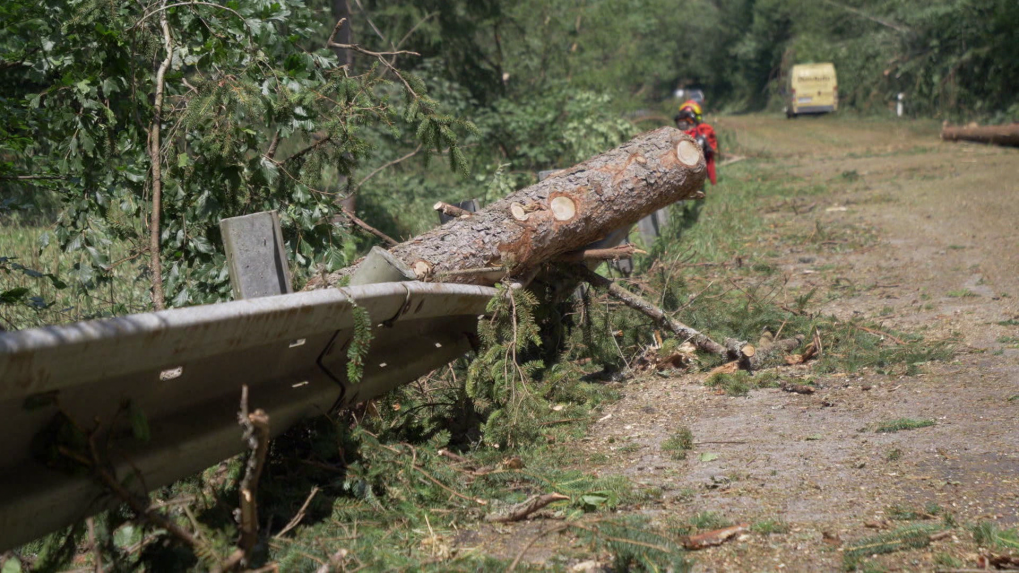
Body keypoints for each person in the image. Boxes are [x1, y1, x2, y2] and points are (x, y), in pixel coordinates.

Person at [674, 100, 718, 185]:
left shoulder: (704, 129)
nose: (684, 123)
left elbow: (710, 150)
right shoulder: (677, 133)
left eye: (688, 119)